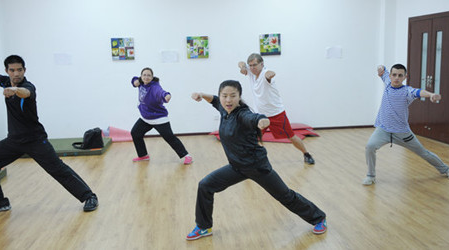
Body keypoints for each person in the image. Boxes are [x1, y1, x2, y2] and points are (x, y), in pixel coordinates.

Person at [186, 80, 326, 241]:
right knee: (205, 186)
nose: (228, 100)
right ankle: (204, 227)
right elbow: (214, 100)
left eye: (233, 96)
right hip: (236, 167)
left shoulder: (242, 114)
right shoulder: (223, 108)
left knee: (285, 196)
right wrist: (201, 94)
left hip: (257, 167)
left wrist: (261, 120)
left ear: (239, 96)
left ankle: (319, 218)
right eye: (225, 96)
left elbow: (253, 118)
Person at [0, 55, 98, 215]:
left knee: (58, 169)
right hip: (14, 140)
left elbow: (25, 93)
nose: (16, 73)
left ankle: (89, 196)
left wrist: (14, 90)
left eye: (19, 70)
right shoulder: (6, 81)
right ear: (7, 71)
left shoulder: (27, 86)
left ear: (24, 70)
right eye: (12, 70)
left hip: (35, 140)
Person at [363, 64, 449, 185]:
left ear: (405, 77)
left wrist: (430, 95)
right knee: (370, 147)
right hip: (383, 130)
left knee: (423, 153)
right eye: (394, 75)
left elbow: (419, 92)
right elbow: (382, 71)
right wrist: (380, 67)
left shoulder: (407, 91)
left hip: (402, 133)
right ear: (391, 76)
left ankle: (446, 169)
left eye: (400, 75)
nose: (396, 78)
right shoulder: (387, 82)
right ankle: (371, 176)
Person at [238, 53, 315, 165]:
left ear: (262, 64)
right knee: (252, 138)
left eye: (255, 65)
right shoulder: (250, 72)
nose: (253, 68)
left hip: (276, 114)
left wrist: (270, 74)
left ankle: (306, 154)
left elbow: (269, 74)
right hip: (260, 116)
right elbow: (240, 63)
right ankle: (247, 161)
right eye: (250, 65)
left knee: (291, 136)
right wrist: (243, 67)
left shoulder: (265, 74)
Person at [130, 67, 192, 164]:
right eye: (144, 75)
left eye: (149, 75)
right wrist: (135, 82)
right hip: (145, 118)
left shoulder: (155, 87)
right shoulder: (140, 83)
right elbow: (134, 80)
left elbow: (161, 92)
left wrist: (166, 96)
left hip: (159, 118)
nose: (146, 77)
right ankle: (143, 155)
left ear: (152, 77)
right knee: (135, 132)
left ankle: (186, 156)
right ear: (141, 76)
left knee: (169, 137)